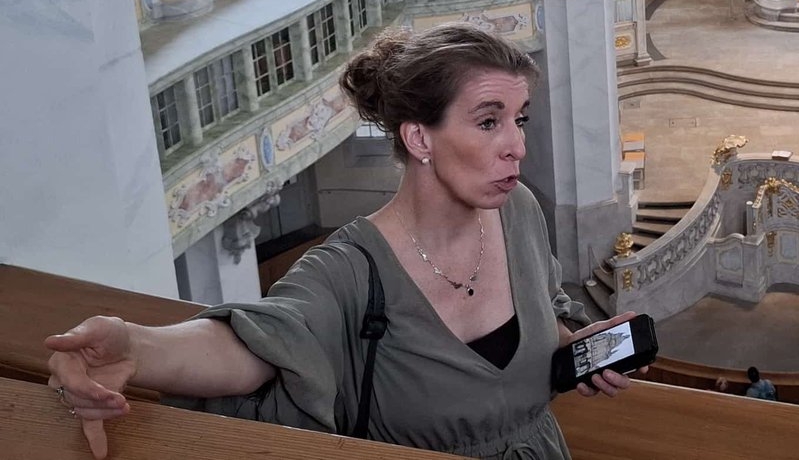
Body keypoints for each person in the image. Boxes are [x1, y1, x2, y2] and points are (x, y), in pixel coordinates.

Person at [45, 24, 641, 460]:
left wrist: (573, 347)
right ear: (420, 139)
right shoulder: (350, 269)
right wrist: (137, 346)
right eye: (489, 121)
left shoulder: (519, 210)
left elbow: (544, 311)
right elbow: (256, 344)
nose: (517, 145)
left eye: (519, 118)